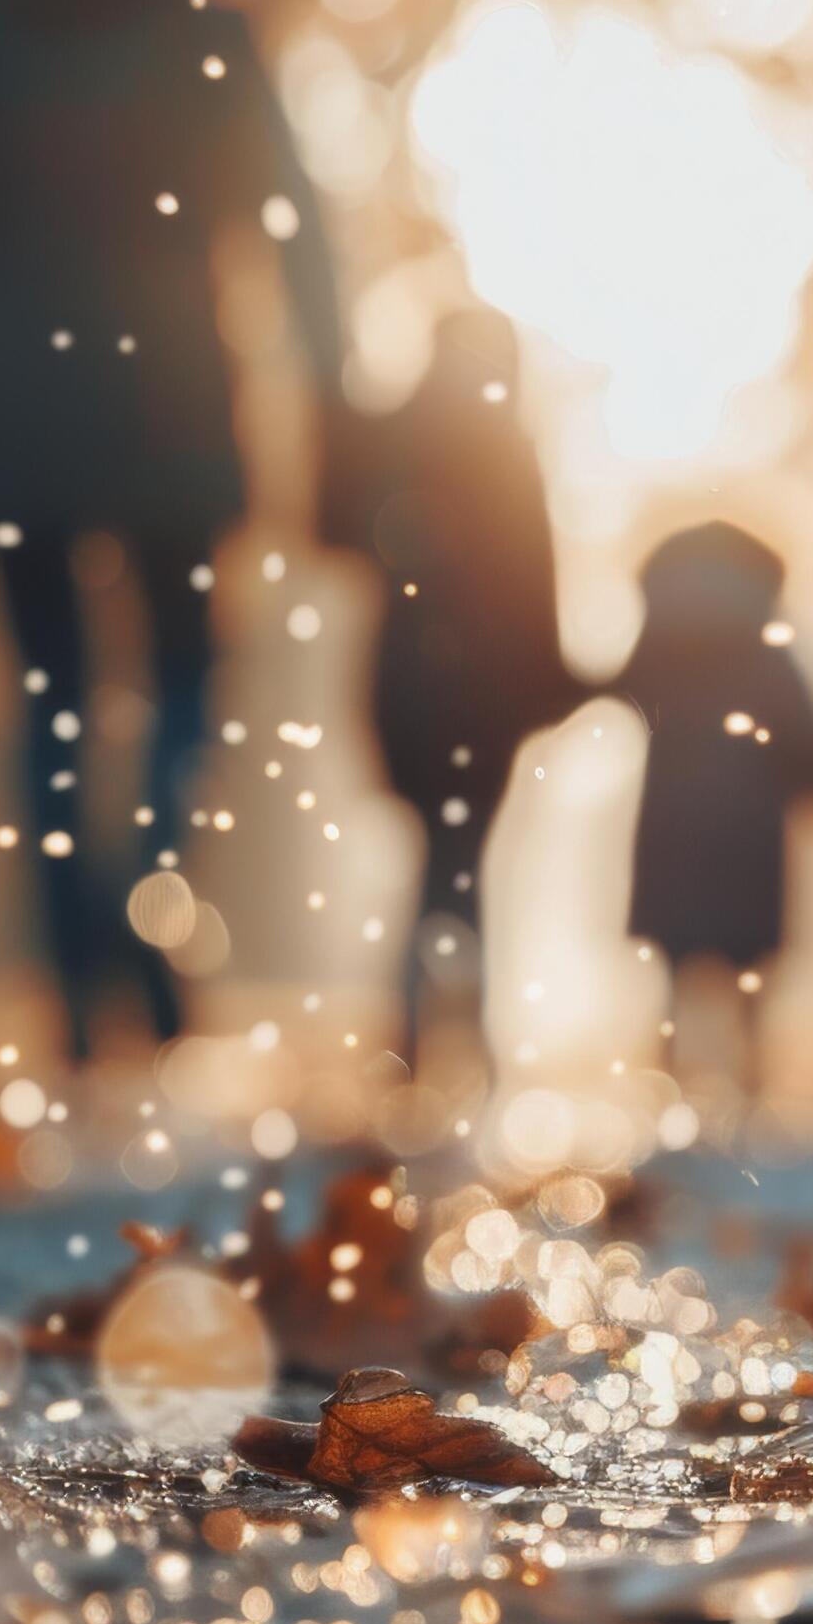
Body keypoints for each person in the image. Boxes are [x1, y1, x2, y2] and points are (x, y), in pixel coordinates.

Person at [0, 0, 344, 1062]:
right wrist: (334, 379)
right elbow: (286, 213)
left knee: (49, 699)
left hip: (28, 404)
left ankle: (74, 965)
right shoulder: (210, 21)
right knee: (189, 681)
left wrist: (15, 224)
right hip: (179, 407)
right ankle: (146, 879)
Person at [324, 308, 578, 1063]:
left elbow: (341, 542)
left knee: (439, 852)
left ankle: (418, 1019)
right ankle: (455, 1023)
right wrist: (549, 684)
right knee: (457, 854)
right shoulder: (501, 446)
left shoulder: (392, 437)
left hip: (411, 693)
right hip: (483, 698)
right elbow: (534, 582)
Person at [611, 521, 813, 1095]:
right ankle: (748, 1077)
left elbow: (627, 696)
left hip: (675, 823)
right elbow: (799, 722)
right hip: (749, 827)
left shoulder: (660, 641)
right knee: (749, 965)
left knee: (676, 962)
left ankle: (666, 1074)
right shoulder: (764, 643)